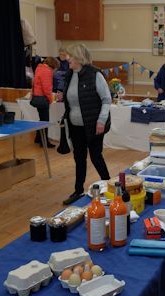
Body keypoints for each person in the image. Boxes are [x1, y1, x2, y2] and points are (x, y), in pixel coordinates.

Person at [59, 44, 112, 205]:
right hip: (75, 126)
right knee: (79, 158)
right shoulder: (69, 74)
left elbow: (106, 99)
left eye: (70, 56)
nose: (67, 59)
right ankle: (78, 190)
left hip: (94, 125)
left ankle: (109, 185)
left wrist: (101, 121)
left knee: (96, 157)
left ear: (79, 58)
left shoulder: (95, 74)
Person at [32, 56, 60, 148]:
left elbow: (34, 84)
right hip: (43, 98)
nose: (55, 71)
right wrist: (50, 99)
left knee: (41, 119)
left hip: (37, 97)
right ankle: (44, 142)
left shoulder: (39, 68)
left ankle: (38, 138)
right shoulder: (47, 71)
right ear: (53, 65)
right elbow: (47, 88)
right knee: (45, 121)